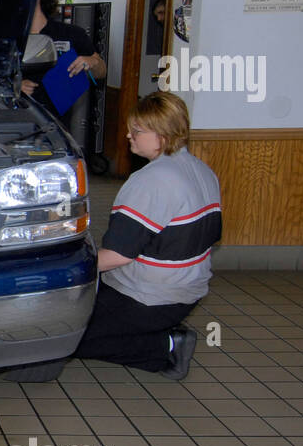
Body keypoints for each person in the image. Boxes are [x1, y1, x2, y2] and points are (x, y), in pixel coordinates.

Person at [73, 91, 221, 378]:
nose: (129, 135)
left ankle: (165, 347)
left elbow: (117, 256)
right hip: (188, 292)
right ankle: (160, 331)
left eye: (138, 131)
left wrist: (69, 269)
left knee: (63, 334)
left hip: (146, 298)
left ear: (163, 136)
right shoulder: (202, 170)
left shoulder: (151, 181)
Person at [20, 0, 106, 113]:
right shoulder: (9, 38)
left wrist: (91, 62)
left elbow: (101, 71)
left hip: (59, 122)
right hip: (18, 117)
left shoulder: (71, 33)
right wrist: (15, 87)